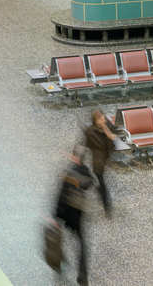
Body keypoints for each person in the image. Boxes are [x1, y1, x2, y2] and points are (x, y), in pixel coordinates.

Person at [54, 145, 93, 286]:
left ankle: (58, 262)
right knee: (82, 245)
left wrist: (55, 217)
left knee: (59, 238)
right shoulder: (85, 171)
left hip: (67, 214)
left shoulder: (68, 173)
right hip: (77, 214)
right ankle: (82, 277)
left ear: (74, 157)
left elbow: (60, 195)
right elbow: (89, 183)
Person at [83, 109, 116, 216]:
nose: (103, 120)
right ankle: (107, 205)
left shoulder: (107, 127)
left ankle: (103, 199)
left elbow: (111, 146)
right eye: (100, 119)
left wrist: (107, 131)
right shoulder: (91, 132)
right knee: (101, 183)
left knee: (99, 182)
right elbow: (99, 145)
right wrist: (106, 133)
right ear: (95, 121)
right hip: (98, 161)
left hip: (104, 159)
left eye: (103, 118)